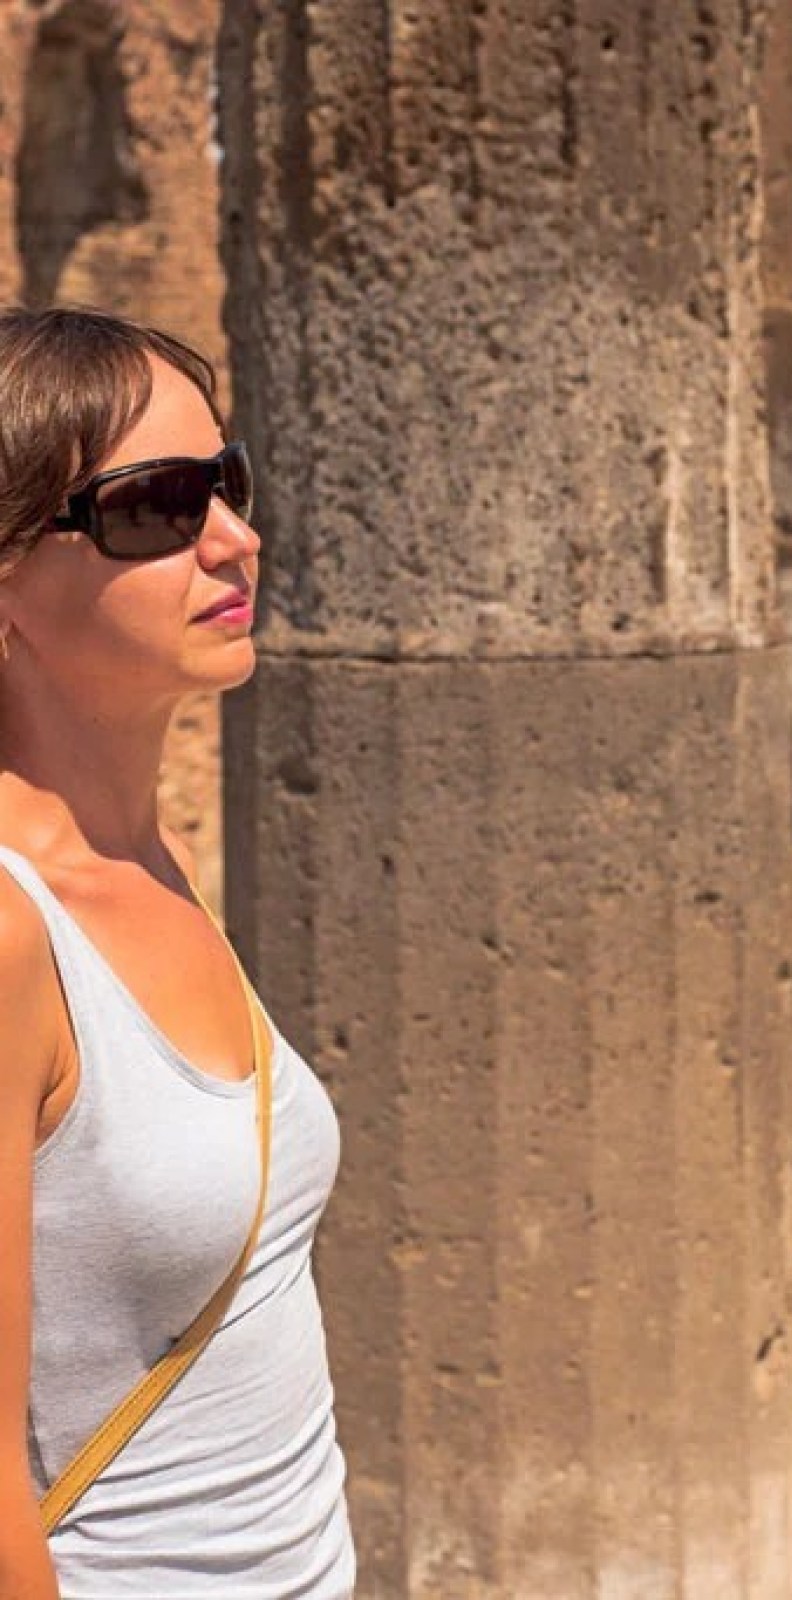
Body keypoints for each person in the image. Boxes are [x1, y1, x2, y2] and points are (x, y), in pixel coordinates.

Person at [0, 306, 356, 1599]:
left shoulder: (152, 859)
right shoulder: (11, 933)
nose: (236, 537)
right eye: (157, 506)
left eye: (231, 480)